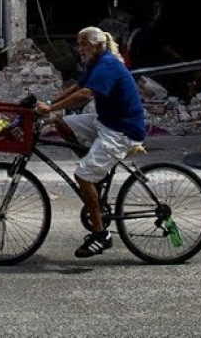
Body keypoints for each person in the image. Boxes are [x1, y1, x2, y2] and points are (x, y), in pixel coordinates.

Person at [36, 26, 147, 258]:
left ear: (96, 45)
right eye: (79, 44)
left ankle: (100, 235)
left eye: (83, 44)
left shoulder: (107, 64)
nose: (80, 49)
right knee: (60, 122)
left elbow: (86, 94)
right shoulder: (96, 63)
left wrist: (52, 107)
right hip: (105, 121)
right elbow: (77, 86)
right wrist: (47, 104)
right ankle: (94, 171)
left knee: (82, 175)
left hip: (121, 130)